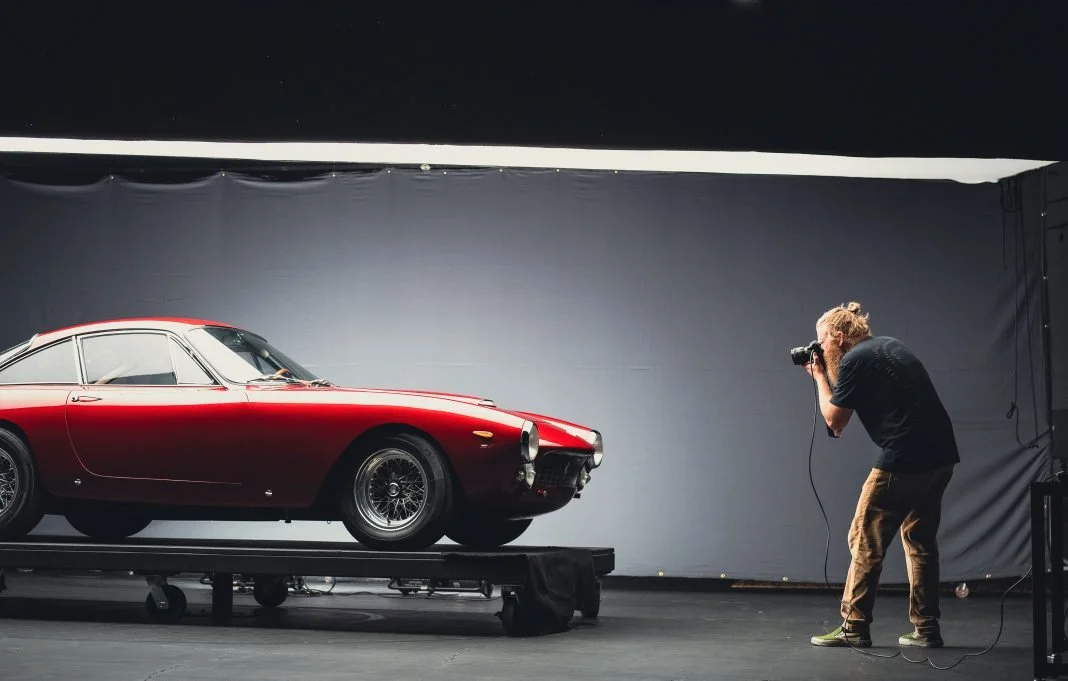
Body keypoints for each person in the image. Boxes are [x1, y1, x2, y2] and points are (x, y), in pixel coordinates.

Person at [804, 301, 959, 649]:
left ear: (840, 338)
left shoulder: (857, 359)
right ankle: (927, 628)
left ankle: (853, 625)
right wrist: (828, 371)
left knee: (864, 538)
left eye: (822, 341)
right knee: (920, 543)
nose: (819, 348)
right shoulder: (888, 346)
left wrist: (818, 378)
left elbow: (834, 420)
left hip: (904, 459)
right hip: (941, 457)